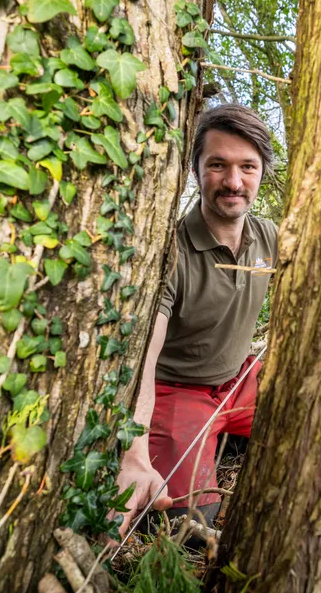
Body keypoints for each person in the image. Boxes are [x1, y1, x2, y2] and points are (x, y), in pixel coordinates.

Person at [115, 104, 277, 535]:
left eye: (247, 166)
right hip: (180, 391)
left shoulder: (268, 236)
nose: (234, 182)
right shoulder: (171, 251)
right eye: (218, 165)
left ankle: (227, 439)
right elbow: (144, 355)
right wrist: (134, 453)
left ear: (262, 171)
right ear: (195, 169)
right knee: (184, 522)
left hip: (240, 380)